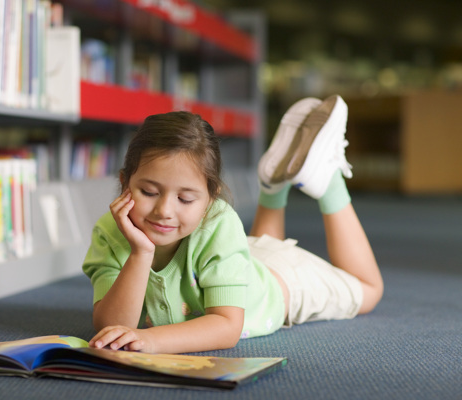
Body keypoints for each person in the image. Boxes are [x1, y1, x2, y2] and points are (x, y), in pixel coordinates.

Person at [82, 96, 384, 354]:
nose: (164, 211)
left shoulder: (219, 223)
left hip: (286, 281)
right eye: (148, 192)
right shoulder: (110, 231)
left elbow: (227, 326)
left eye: (185, 199)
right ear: (125, 183)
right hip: (238, 259)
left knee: (370, 291)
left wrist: (149, 339)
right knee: (245, 251)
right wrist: (140, 253)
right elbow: (112, 327)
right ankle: (273, 188)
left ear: (211, 199)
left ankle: (328, 179)